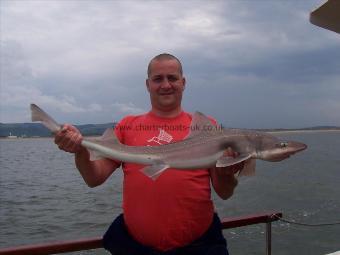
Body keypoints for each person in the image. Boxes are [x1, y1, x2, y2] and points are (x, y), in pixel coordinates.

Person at [54, 53, 244, 255]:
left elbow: (225, 192)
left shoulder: (207, 128)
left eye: (172, 78)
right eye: (157, 79)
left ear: (183, 82)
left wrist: (227, 173)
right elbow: (94, 178)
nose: (165, 85)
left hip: (199, 247)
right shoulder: (128, 125)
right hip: (136, 248)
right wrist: (80, 150)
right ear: (147, 84)